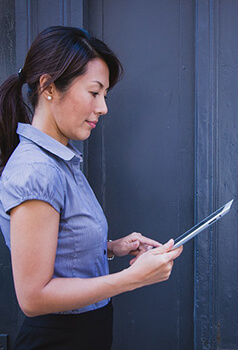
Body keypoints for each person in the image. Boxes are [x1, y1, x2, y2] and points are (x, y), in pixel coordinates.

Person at [0, 26, 183, 349]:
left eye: (105, 95)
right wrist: (131, 279)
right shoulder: (36, 170)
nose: (103, 107)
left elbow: (58, 247)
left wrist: (110, 247)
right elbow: (33, 296)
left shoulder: (60, 159)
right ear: (48, 87)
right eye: (94, 92)